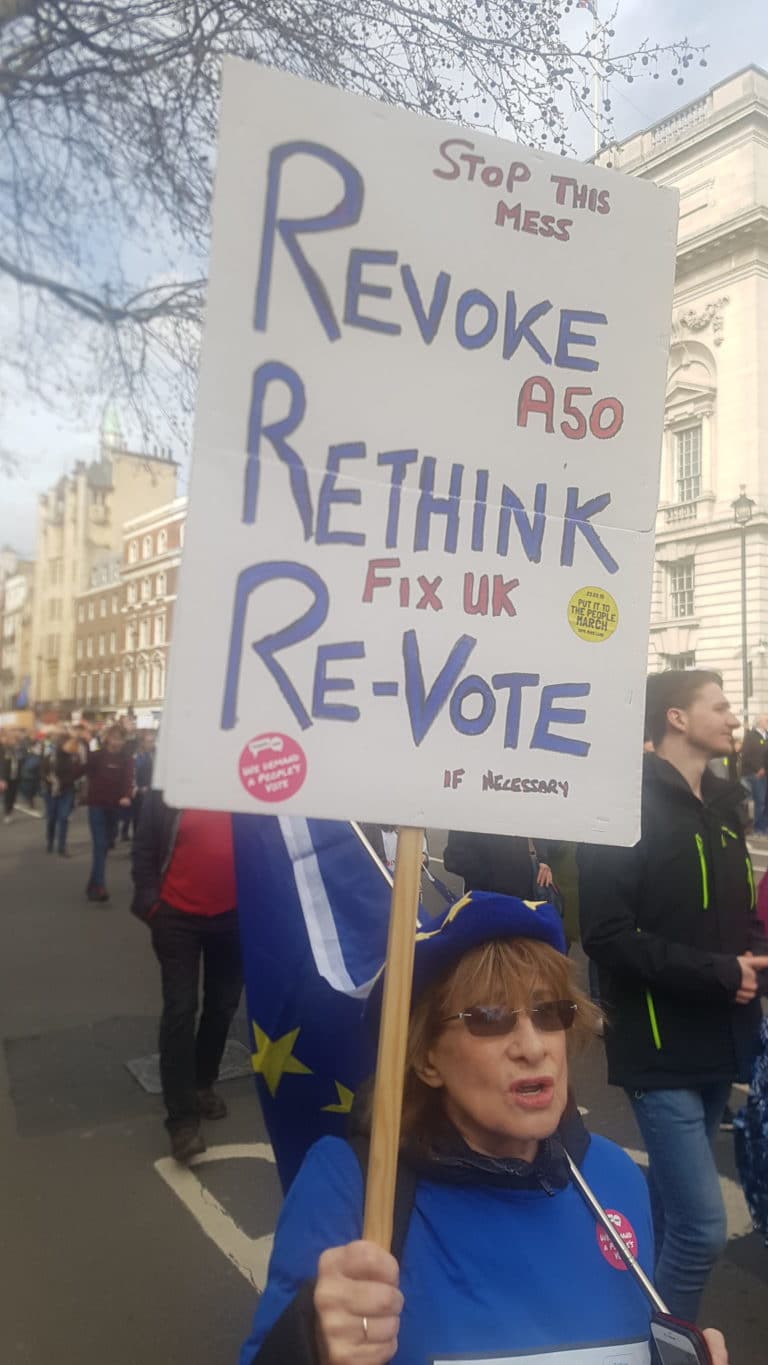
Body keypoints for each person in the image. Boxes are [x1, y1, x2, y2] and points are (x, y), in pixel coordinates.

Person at [239, 892, 727, 1365]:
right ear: (426, 1058)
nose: (533, 1047)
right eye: (490, 1018)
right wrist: (312, 1342)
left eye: (549, 1011)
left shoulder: (614, 1177)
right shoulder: (352, 1187)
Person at [578, 669, 768, 1324]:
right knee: (703, 1227)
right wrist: (718, 970)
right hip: (657, 1048)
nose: (733, 717)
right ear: (676, 718)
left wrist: (753, 963)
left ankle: (624, 1307)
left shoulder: (722, 803)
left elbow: (738, 914)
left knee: (666, 1205)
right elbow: (604, 933)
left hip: (721, 1039)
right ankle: (659, 1344)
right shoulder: (623, 803)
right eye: (718, 705)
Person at [131, 791, 243, 1162]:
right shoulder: (169, 788)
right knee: (181, 1009)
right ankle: (181, 1121)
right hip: (176, 917)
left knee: (222, 1006)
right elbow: (144, 850)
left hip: (232, 918)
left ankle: (201, 1084)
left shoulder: (243, 779)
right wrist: (151, 905)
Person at [84, 725, 134, 902]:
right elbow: (84, 770)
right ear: (107, 739)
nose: (117, 742)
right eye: (114, 738)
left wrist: (127, 796)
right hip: (96, 805)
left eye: (120, 738)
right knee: (99, 844)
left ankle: (92, 884)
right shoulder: (97, 756)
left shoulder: (127, 759)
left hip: (115, 807)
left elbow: (128, 779)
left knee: (105, 845)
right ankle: (100, 887)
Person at [443, 829, 553, 896]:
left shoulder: (521, 800)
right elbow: (453, 858)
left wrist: (543, 859)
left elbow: (537, 820)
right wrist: (490, 874)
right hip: (484, 900)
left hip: (523, 897)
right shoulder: (469, 804)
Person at [42, 733, 83, 857]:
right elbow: (42, 771)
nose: (72, 745)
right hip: (51, 792)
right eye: (69, 743)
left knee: (64, 818)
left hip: (66, 791)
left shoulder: (74, 758)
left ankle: (62, 847)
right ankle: (50, 841)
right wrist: (48, 779)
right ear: (62, 743)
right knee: (52, 819)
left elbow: (76, 774)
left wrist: (64, 782)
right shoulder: (51, 757)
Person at [740, 715, 768, 836]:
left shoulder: (766, 736)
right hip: (756, 774)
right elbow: (745, 755)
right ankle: (758, 828)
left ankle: (765, 827)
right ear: (759, 722)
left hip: (766, 772)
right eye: (767, 720)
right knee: (760, 802)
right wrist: (758, 769)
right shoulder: (751, 736)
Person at [1, 730, 25, 823]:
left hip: (15, 776)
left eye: (15, 739)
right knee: (6, 796)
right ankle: (7, 813)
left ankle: (8, 813)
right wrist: (2, 778)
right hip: (4, 776)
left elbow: (21, 760)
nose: (13, 740)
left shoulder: (16, 749)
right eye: (11, 738)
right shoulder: (2, 749)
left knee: (12, 795)